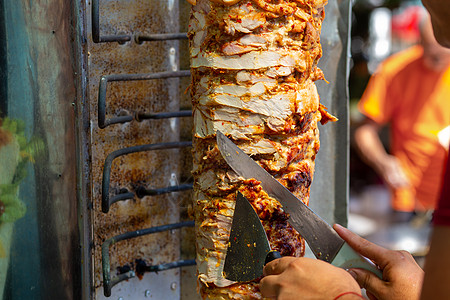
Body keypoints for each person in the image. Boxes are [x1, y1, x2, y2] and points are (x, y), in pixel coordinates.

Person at [353, 12, 450, 216]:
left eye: (444, 53)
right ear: (419, 42)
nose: (437, 61)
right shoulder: (394, 70)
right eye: (430, 54)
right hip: (409, 197)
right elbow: (364, 132)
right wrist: (384, 163)